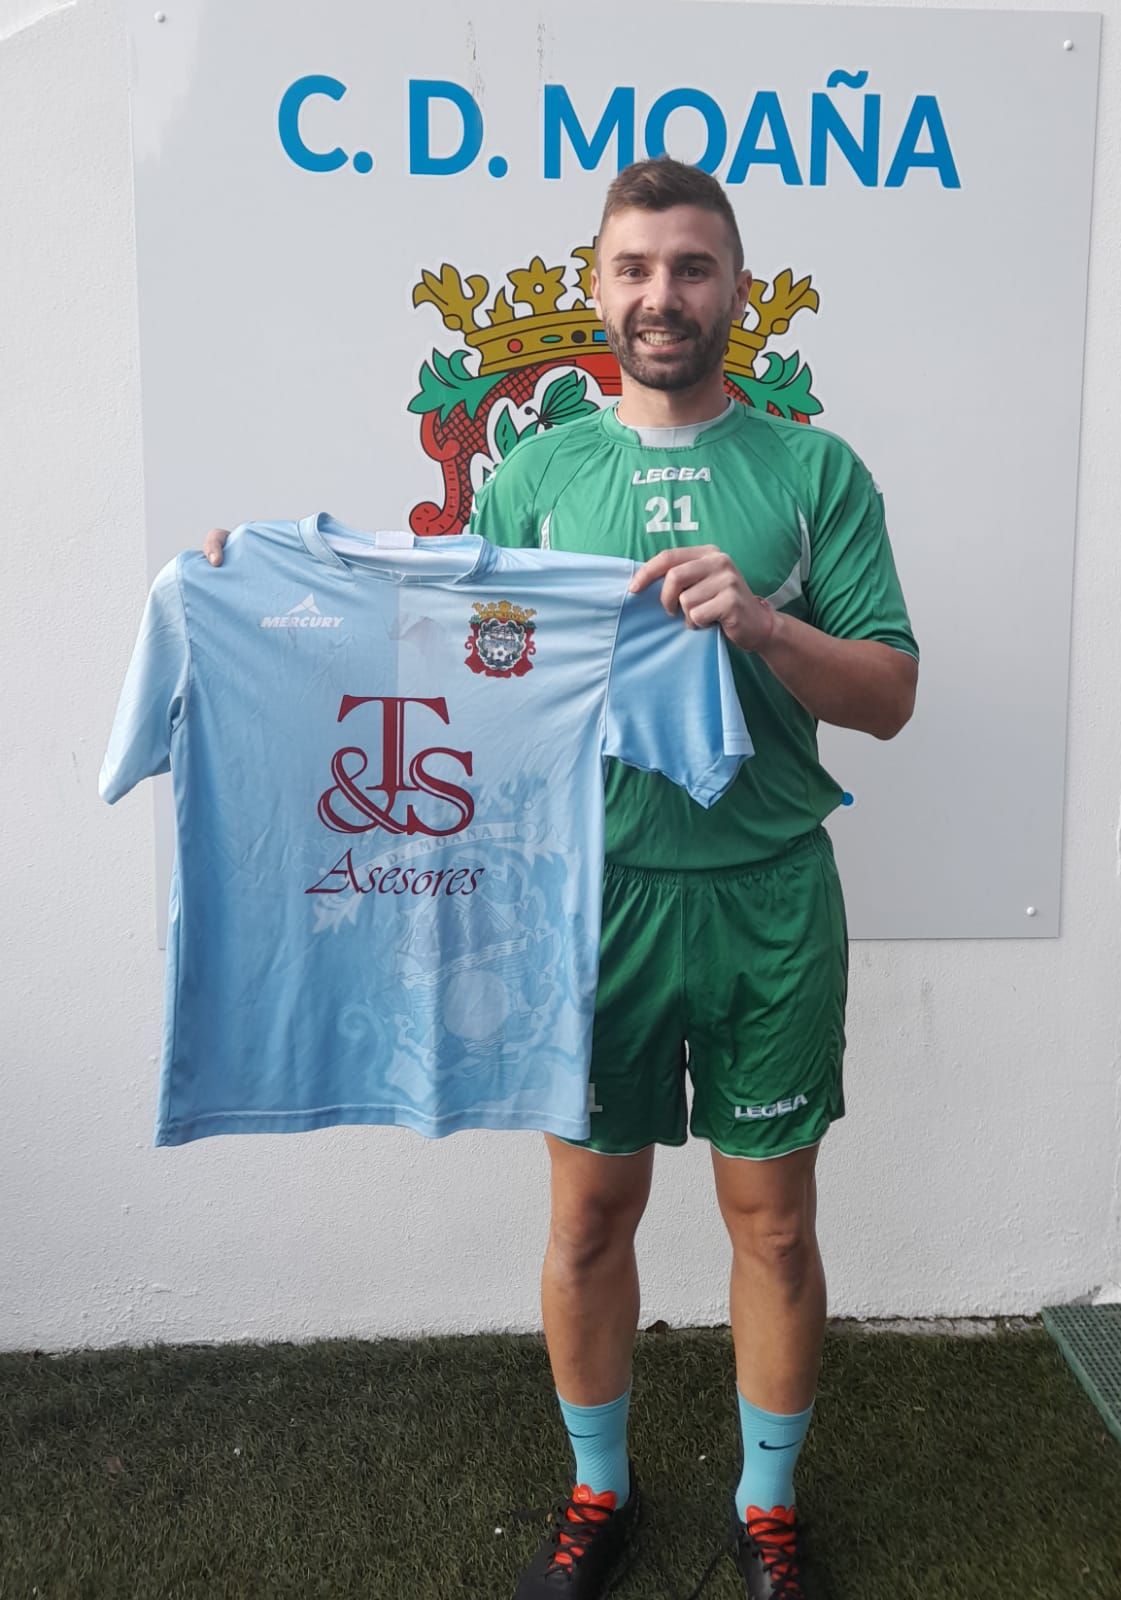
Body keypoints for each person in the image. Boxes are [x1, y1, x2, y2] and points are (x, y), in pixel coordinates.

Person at [202, 158, 917, 1600]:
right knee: (589, 1216)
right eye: (636, 268)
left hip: (768, 892)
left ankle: (764, 1510)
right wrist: (252, 587)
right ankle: (598, 1492)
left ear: (736, 288)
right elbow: (431, 647)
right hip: (581, 899)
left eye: (692, 268)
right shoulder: (536, 474)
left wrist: (765, 629)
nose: (663, 296)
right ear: (599, 288)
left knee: (771, 1222)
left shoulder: (812, 470)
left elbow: (891, 695)